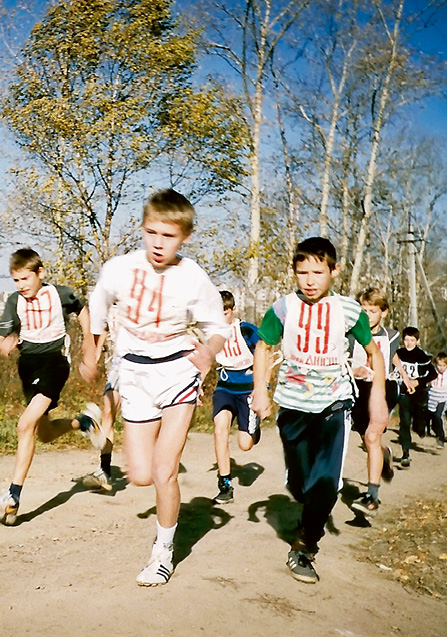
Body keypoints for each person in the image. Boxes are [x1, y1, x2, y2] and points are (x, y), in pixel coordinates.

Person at [84, 188, 229, 586]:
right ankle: (115, 442)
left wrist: (208, 353)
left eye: (168, 236)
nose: (158, 243)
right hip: (134, 375)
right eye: (152, 233)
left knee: (165, 471)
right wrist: (90, 352)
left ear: (184, 237)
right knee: (141, 475)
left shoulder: (193, 277)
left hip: (178, 374)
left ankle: (162, 553)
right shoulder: (120, 269)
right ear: (142, 229)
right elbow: (95, 309)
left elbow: (218, 328)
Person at [251, 237, 388, 583]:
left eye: (318, 272)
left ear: (334, 271)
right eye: (302, 272)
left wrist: (379, 400)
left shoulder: (349, 311)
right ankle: (301, 488)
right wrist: (259, 390)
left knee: (325, 484)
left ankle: (304, 546)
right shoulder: (283, 309)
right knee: (300, 487)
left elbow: (374, 353)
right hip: (294, 407)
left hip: (333, 405)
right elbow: (264, 346)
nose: (310, 280)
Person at [0, 248, 103, 525]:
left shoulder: (59, 294)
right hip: (28, 366)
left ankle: (12, 498)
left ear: (40, 273)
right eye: (16, 280)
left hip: (54, 363)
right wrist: (3, 343)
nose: (21, 286)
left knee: (24, 425)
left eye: (25, 279)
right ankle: (83, 423)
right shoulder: (14, 301)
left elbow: (83, 312)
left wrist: (88, 344)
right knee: (44, 433)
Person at [348, 288, 406, 517]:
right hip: (358, 389)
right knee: (366, 438)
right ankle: (384, 455)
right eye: (363, 310)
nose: (367, 315)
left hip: (384, 389)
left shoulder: (391, 335)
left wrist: (405, 375)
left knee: (372, 436)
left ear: (384, 312)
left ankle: (372, 496)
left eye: (372, 311)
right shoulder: (350, 334)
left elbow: (391, 356)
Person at [212, 290, 261, 504]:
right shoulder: (211, 332)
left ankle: (254, 427)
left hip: (247, 388)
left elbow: (264, 350)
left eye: (224, 312)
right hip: (224, 387)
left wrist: (262, 384)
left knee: (245, 444)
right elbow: (205, 358)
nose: (220, 317)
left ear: (232, 310)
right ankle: (225, 484)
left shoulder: (245, 329)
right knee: (219, 429)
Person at [76, 310, 121, 491]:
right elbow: (102, 331)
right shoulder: (111, 306)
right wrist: (94, 356)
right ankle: (105, 472)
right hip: (119, 366)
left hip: (144, 365)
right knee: (108, 413)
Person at [394, 327, 437, 468]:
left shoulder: (422, 356)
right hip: (404, 392)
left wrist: (417, 382)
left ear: (417, 341)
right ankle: (405, 452)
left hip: (419, 393)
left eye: (412, 340)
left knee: (418, 420)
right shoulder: (398, 354)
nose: (409, 343)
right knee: (404, 421)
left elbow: (433, 374)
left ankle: (421, 426)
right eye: (406, 340)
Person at [427, 352, 447, 449]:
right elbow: (426, 379)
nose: (441, 368)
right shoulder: (432, 371)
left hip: (444, 396)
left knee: (438, 415)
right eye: (439, 365)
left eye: (443, 365)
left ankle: (441, 438)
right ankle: (435, 430)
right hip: (433, 396)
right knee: (433, 417)